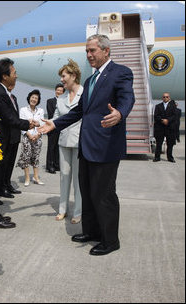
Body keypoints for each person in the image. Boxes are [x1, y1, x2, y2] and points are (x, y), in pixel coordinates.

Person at [38, 34, 135, 256]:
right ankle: (91, 231)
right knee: (88, 192)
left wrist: (120, 113)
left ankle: (110, 240)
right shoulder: (91, 81)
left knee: (104, 194)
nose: (89, 55)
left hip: (107, 146)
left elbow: (128, 98)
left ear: (106, 51)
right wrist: (54, 124)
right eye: (87, 51)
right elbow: (80, 111)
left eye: (93, 51)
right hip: (87, 146)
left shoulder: (121, 72)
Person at [0, 58, 38, 228]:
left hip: (1, 143)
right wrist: (29, 123)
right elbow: (10, 118)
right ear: (5, 76)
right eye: (14, 73)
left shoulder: (2, 91)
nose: (16, 76)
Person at [53, 59, 83, 224]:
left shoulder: (85, 93)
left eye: (64, 76)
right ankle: (62, 209)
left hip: (80, 143)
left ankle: (78, 211)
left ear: (73, 75)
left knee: (78, 179)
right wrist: (40, 125)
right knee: (64, 177)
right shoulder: (61, 98)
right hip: (64, 142)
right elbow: (56, 119)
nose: (62, 80)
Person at [16, 89, 45, 186]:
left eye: (36, 98)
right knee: (26, 157)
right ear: (29, 98)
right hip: (27, 137)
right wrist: (29, 135)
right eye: (32, 97)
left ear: (38, 100)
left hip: (38, 137)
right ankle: (27, 178)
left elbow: (42, 124)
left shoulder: (41, 111)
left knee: (36, 157)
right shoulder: (23, 110)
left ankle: (36, 177)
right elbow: (21, 124)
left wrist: (38, 135)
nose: (34, 99)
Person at [0, 87, 22, 198]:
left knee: (11, 163)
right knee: (4, 163)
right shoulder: (2, 98)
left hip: (15, 135)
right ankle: (2, 187)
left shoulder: (14, 98)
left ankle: (8, 184)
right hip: (7, 135)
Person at [45, 83, 64, 174]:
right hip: (52, 127)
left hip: (61, 127)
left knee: (57, 147)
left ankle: (56, 165)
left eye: (61, 91)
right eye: (58, 90)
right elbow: (51, 114)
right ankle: (49, 166)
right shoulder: (50, 101)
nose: (59, 92)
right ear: (55, 91)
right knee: (51, 147)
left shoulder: (64, 102)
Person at [153, 93, 177, 163]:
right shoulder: (158, 106)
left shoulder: (173, 106)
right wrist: (162, 120)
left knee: (170, 144)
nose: (165, 98)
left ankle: (170, 157)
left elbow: (174, 116)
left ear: (169, 98)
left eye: (167, 97)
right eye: (164, 97)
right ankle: (157, 157)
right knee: (159, 143)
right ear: (162, 98)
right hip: (160, 127)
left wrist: (168, 120)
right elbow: (156, 116)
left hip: (169, 128)